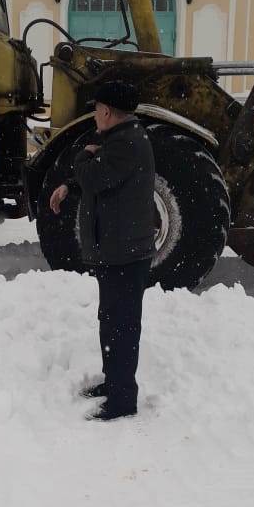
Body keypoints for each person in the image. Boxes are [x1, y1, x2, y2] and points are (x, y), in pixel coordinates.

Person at [50, 81, 156, 421]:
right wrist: (69, 185)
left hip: (125, 254)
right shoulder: (120, 140)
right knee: (112, 322)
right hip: (118, 251)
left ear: (107, 112)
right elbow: (100, 176)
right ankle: (114, 382)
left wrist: (83, 156)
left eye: (97, 109)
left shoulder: (126, 143)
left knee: (121, 326)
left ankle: (123, 399)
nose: (95, 115)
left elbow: (95, 177)